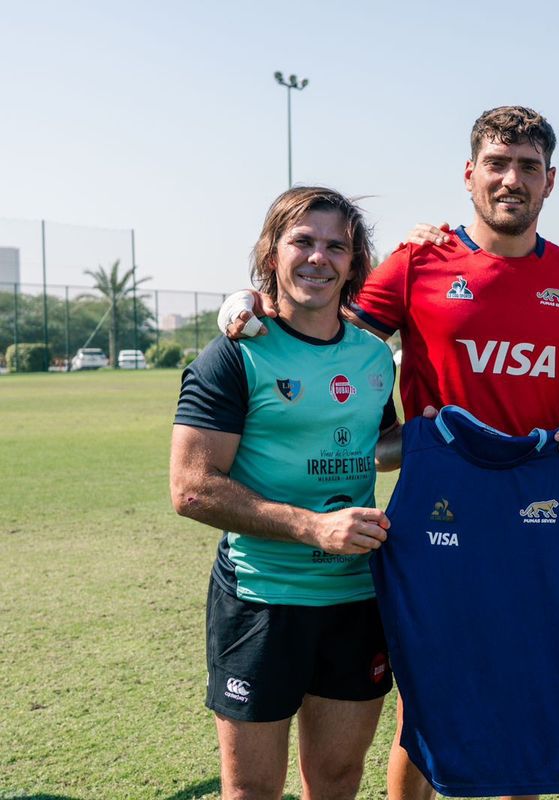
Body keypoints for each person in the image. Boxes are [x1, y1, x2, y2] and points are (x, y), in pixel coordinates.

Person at [222, 105, 559, 800]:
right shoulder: (419, 262)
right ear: (470, 174)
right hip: (434, 505)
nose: (511, 179)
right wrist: (248, 299)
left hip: (532, 505)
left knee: (521, 682)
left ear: (550, 181)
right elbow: (319, 328)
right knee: (426, 691)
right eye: (497, 164)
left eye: (528, 166)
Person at [170, 186, 403, 800]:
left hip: (356, 598)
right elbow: (192, 489)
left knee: (335, 779)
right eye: (302, 241)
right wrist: (313, 527)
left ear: (354, 264)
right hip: (262, 597)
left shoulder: (375, 356)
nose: (318, 258)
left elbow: (380, 445)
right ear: (271, 251)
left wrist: (460, 437)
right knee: (252, 789)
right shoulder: (233, 354)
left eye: (337, 246)